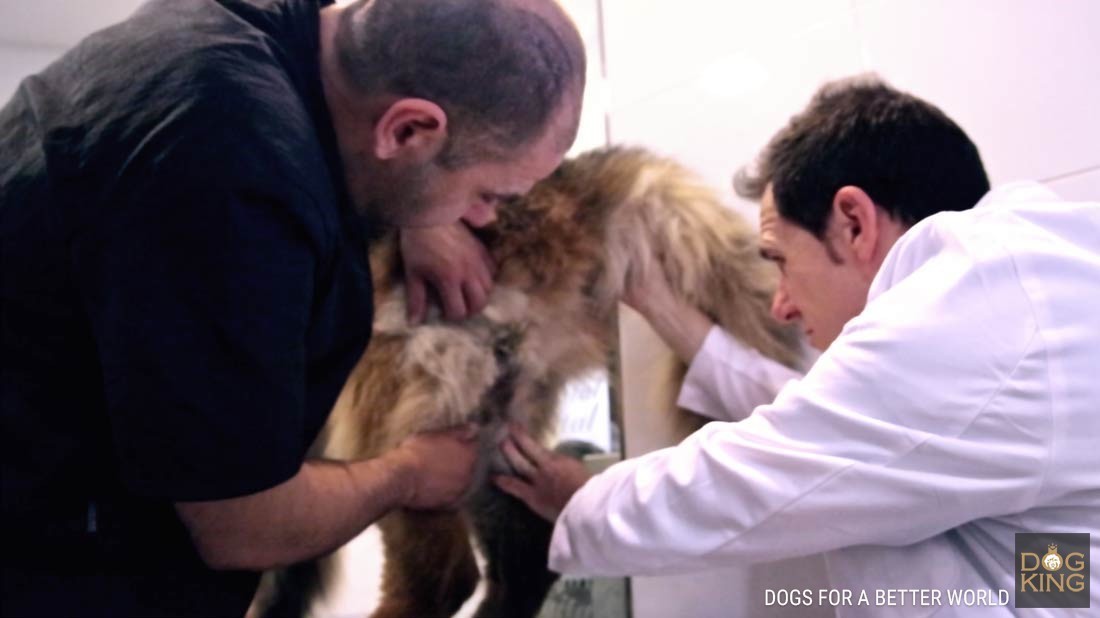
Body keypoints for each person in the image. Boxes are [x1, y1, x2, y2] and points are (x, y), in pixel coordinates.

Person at [0, 0, 585, 615]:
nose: (484, 219)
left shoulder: (241, 36)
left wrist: (418, 216)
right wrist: (406, 472)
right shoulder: (232, 169)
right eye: (487, 193)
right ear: (407, 131)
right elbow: (240, 524)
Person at [494, 77, 1100, 616]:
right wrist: (665, 310)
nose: (781, 304)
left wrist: (579, 502)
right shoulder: (1027, 291)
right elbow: (841, 434)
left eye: (781, 261)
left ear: (854, 223)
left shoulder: (984, 300)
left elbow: (770, 473)